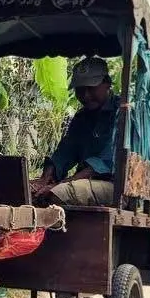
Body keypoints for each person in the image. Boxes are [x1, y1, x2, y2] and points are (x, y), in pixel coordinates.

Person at [29, 56, 119, 207]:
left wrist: (64, 183)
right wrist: (45, 178)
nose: (85, 96)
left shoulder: (121, 113)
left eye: (91, 88)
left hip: (114, 185)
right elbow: (65, 151)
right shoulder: (82, 117)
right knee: (28, 190)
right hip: (84, 182)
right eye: (80, 90)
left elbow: (104, 162)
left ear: (107, 83)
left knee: (58, 194)